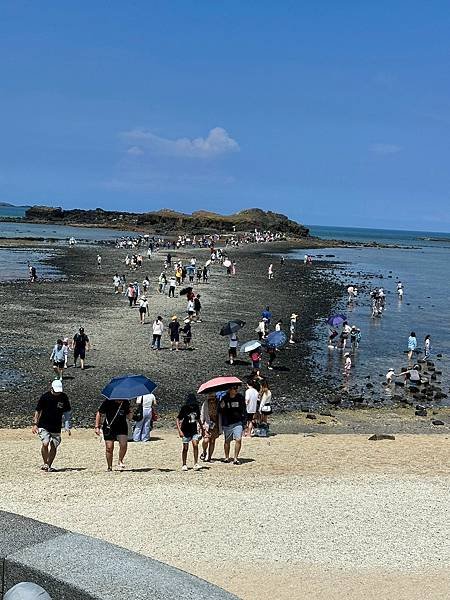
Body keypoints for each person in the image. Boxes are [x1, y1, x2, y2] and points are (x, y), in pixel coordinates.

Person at [32, 380, 72, 472]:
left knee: (54, 445)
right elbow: (38, 411)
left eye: (59, 392)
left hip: (56, 425)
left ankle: (48, 465)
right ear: (52, 388)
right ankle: (45, 462)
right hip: (44, 424)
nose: (57, 393)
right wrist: (35, 424)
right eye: (56, 391)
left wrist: (67, 426)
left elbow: (67, 412)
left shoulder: (64, 397)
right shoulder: (45, 397)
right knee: (45, 443)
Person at [95, 398, 132, 471]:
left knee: (123, 445)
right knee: (109, 448)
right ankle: (109, 466)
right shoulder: (108, 401)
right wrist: (97, 427)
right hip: (109, 427)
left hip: (122, 426)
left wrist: (131, 411)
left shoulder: (125, 402)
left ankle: (120, 460)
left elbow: (129, 417)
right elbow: (99, 413)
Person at [219, 385, 246, 465]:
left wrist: (245, 421)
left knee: (238, 439)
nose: (236, 390)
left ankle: (235, 458)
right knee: (227, 441)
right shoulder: (225, 398)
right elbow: (220, 410)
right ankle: (227, 457)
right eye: (234, 388)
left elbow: (244, 409)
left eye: (236, 388)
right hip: (228, 422)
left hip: (238, 422)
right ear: (230, 390)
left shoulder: (240, 397)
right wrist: (221, 406)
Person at [176, 393, 202, 471]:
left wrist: (202, 429)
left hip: (194, 430)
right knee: (185, 448)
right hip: (185, 430)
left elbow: (198, 419)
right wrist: (179, 431)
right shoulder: (184, 408)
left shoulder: (196, 407)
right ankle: (184, 464)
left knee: (195, 445)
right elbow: (178, 419)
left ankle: (196, 463)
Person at [200, 393, 221, 462]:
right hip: (207, 424)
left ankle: (209, 457)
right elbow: (202, 414)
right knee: (206, 440)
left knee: (212, 441)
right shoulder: (205, 403)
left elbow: (222, 411)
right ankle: (204, 451)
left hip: (216, 424)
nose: (211, 399)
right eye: (210, 397)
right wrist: (201, 425)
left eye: (213, 398)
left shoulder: (219, 403)